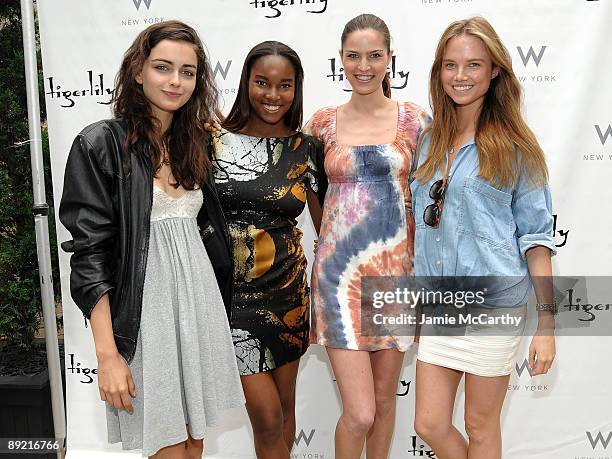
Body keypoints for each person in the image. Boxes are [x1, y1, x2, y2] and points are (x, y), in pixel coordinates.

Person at [59, 21, 244, 459]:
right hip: (144, 319)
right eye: (163, 67)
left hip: (197, 310)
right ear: (138, 71)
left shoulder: (193, 143)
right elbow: (89, 256)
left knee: (194, 444)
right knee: (168, 448)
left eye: (188, 71)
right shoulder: (100, 143)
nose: (175, 81)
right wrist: (108, 355)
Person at [410, 17, 556, 459]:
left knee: (480, 423)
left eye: (474, 65)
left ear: (495, 70)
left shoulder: (516, 147)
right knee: (429, 423)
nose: (460, 76)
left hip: (495, 304)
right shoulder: (429, 139)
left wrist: (547, 325)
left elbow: (536, 239)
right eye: (450, 65)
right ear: (439, 71)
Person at [304, 14, 430, 459]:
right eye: (354, 56)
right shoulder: (321, 123)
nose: (364, 65)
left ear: (389, 59)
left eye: (374, 55)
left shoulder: (415, 120)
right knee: (358, 414)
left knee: (381, 403)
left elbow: (439, 189)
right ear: (341, 60)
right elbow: (294, 181)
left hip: (395, 279)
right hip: (338, 280)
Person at [211, 41, 327, 458]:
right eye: (262, 83)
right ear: (246, 83)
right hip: (231, 299)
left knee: (285, 408)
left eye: (285, 85)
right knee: (267, 417)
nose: (273, 95)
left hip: (288, 295)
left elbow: (324, 227)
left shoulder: (307, 149)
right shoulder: (213, 142)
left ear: (297, 90)